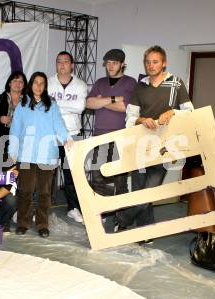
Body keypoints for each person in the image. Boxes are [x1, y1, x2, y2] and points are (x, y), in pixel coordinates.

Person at [118, 45, 194, 243]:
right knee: (139, 190)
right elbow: (130, 117)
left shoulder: (176, 84)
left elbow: (190, 112)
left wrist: (174, 112)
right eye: (148, 62)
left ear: (164, 63)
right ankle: (145, 233)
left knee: (150, 191)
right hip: (140, 145)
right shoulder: (140, 86)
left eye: (155, 62)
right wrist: (142, 120)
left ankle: (122, 219)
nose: (151, 66)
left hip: (164, 148)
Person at [9, 72, 73, 238]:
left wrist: (67, 138)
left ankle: (42, 224)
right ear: (31, 85)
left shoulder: (51, 104)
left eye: (42, 83)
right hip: (26, 156)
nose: (38, 86)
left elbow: (59, 124)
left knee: (45, 193)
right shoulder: (22, 105)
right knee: (25, 191)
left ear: (45, 86)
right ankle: (23, 222)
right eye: (35, 83)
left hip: (47, 156)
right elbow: (15, 130)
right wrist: (12, 152)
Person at [86, 49, 137, 198]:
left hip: (120, 137)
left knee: (119, 179)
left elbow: (125, 107)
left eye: (114, 63)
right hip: (100, 136)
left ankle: (121, 218)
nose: (110, 66)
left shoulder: (130, 82)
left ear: (122, 64)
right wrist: (115, 98)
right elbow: (89, 103)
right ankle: (100, 214)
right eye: (108, 63)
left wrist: (101, 101)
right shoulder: (100, 82)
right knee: (97, 178)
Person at [48, 51, 87, 223]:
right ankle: (44, 209)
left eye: (65, 61)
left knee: (71, 173)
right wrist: (65, 106)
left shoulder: (80, 84)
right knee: (47, 172)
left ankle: (73, 208)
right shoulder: (48, 82)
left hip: (72, 133)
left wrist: (57, 105)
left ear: (72, 65)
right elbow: (46, 106)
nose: (62, 64)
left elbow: (80, 108)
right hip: (50, 134)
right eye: (59, 62)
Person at [0, 71, 28, 138]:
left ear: (24, 85)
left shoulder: (28, 102)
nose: (18, 83)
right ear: (10, 83)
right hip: (2, 139)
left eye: (21, 82)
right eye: (15, 80)